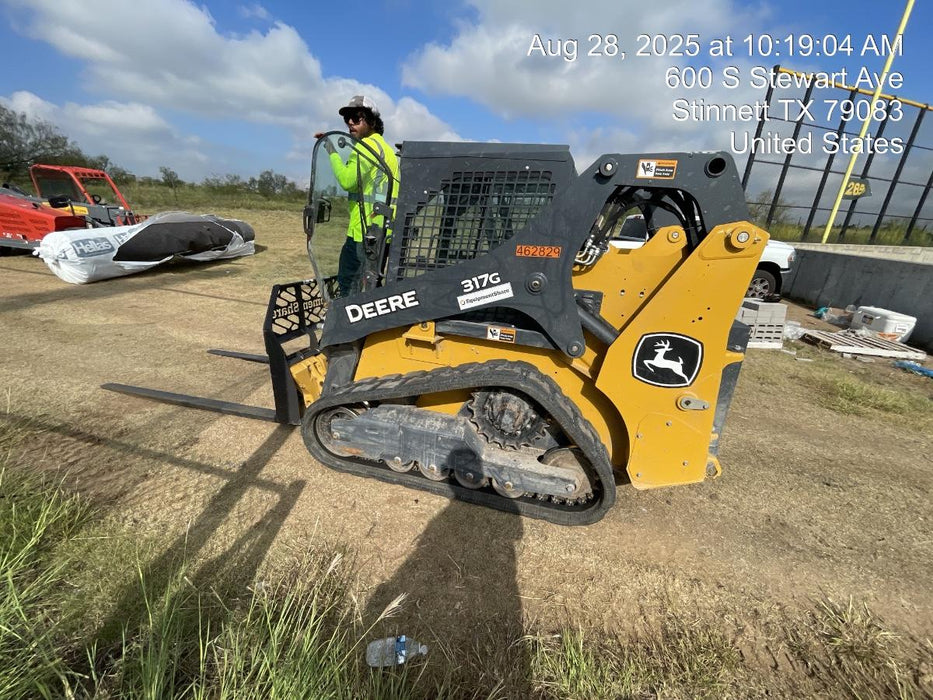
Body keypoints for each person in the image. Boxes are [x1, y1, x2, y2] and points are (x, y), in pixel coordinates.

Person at [314, 95, 400, 296]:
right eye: (347, 119)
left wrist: (332, 151)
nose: (350, 123)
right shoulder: (384, 149)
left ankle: (348, 323)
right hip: (377, 230)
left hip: (366, 232)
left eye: (356, 118)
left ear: (372, 121)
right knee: (370, 285)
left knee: (349, 282)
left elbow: (347, 180)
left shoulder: (366, 147)